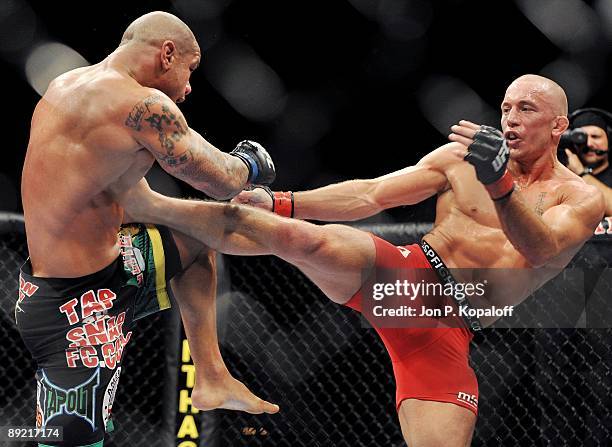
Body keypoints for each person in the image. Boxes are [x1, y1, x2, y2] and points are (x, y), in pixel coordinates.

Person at [115, 74, 604, 446]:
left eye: (527, 109)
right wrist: (282, 200)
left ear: (559, 125)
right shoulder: (460, 159)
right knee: (307, 240)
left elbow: (540, 249)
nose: (511, 118)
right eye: (506, 108)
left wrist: (499, 185)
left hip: (454, 329)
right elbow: (372, 195)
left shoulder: (580, 198)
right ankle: (153, 205)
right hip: (408, 277)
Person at [17, 11, 279, 447]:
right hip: (75, 309)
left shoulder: (66, 85)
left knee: (198, 241)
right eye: (190, 70)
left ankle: (211, 376)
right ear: (167, 54)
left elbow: (140, 203)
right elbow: (220, 179)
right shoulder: (142, 106)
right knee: (69, 443)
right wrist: (252, 162)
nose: (191, 86)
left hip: (106, 271)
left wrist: (221, 222)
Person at [563, 108, 612, 215]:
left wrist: (582, 173)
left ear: (609, 140)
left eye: (595, 137)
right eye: (581, 138)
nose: (589, 143)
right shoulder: (563, 178)